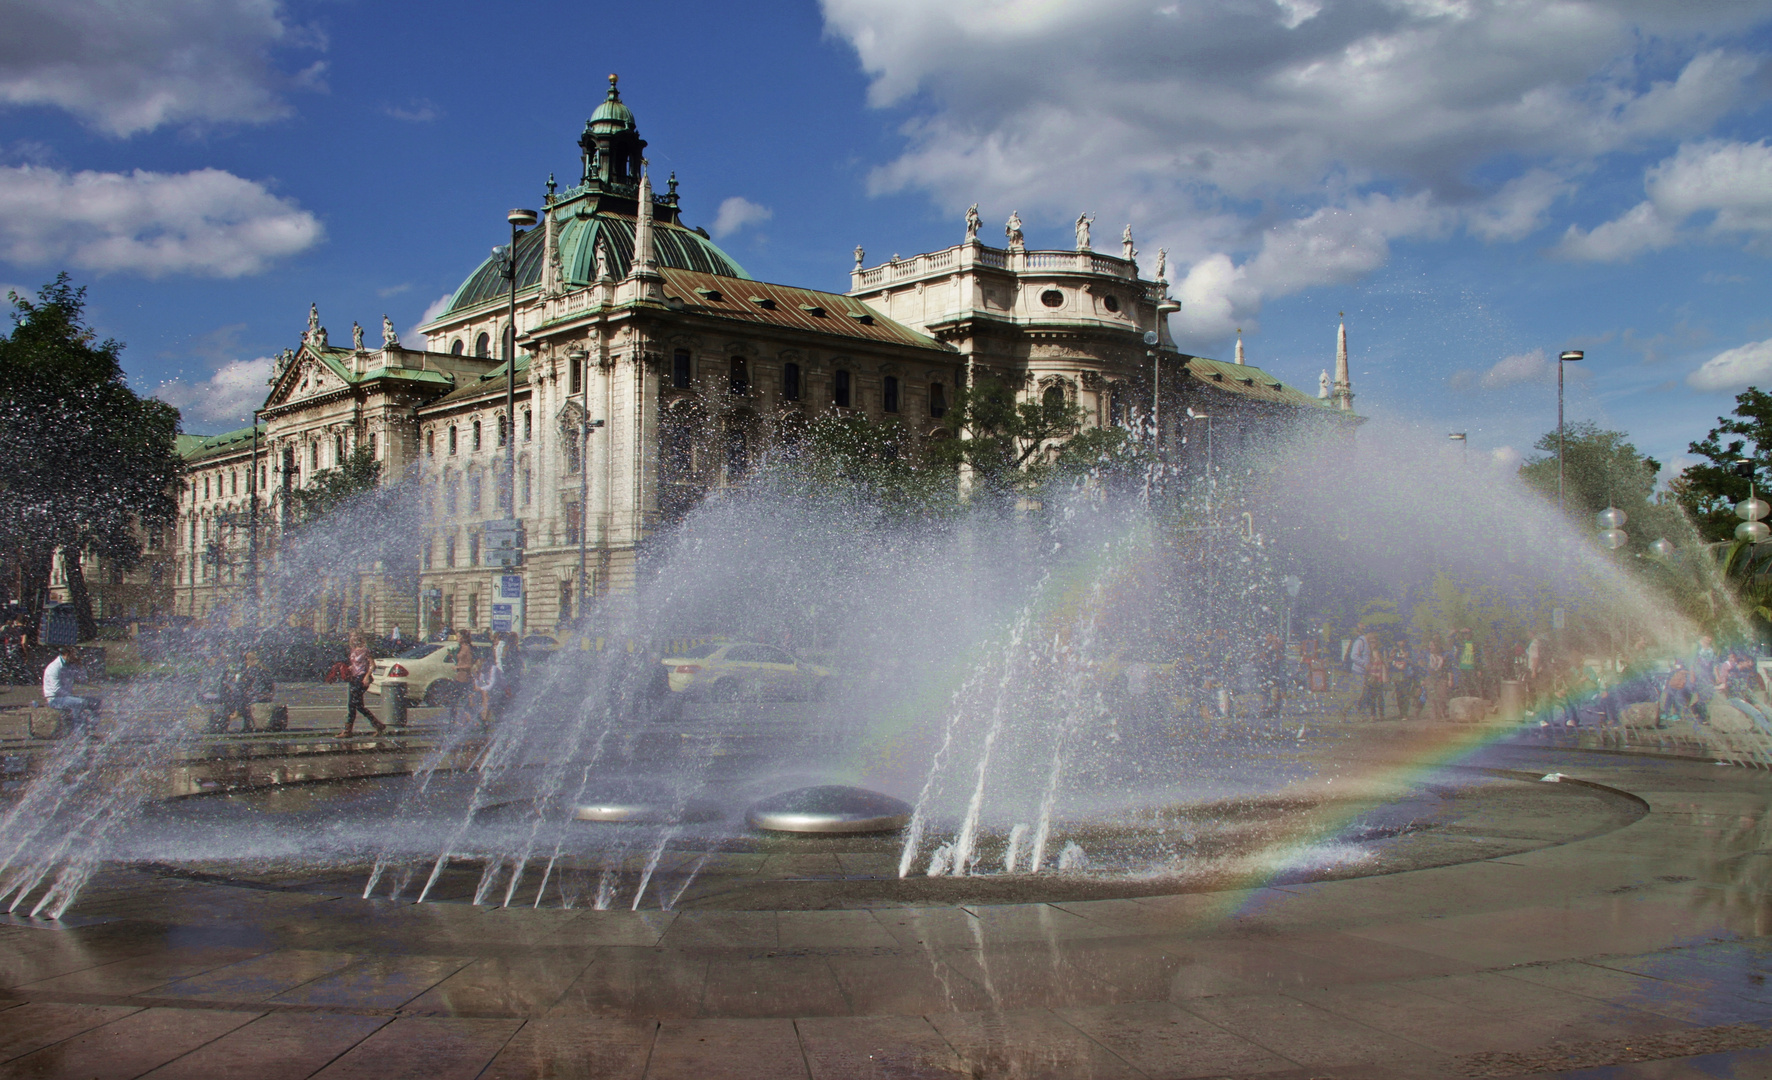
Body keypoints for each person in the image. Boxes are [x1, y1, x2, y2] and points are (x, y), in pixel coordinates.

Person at [336, 631, 385, 738]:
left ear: (358, 638)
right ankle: (377, 725)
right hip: (353, 679)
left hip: (361, 679)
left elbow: (372, 665)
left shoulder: (365, 651)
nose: (352, 639)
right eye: (351, 637)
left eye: (353, 637)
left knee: (353, 704)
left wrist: (367, 676)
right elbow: (355, 665)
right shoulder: (353, 651)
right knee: (356, 705)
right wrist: (345, 669)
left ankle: (348, 731)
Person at [42, 646, 97, 736]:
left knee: (95, 702)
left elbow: (83, 679)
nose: (76, 657)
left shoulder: (70, 665)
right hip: (55, 699)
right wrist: (72, 696)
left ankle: (90, 728)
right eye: (74, 655)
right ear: (67, 655)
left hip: (67, 696)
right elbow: (57, 689)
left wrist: (80, 666)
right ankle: (78, 732)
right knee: (79, 703)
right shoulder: (54, 667)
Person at [449, 629, 477, 722]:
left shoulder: (467, 648)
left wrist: (458, 667)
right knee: (455, 702)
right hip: (459, 678)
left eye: (459, 636)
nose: (457, 638)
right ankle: (452, 722)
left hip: (464, 679)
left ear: (464, 638)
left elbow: (469, 664)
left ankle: (479, 720)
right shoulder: (461, 647)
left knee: (462, 703)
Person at [473, 655, 508, 729]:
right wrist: (476, 676)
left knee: (486, 696)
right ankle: (481, 718)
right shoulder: (481, 672)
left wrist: (480, 688)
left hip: (502, 690)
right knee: (476, 697)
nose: (481, 672)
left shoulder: (493, 669)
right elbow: (478, 686)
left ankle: (486, 719)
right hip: (491, 692)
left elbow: (492, 685)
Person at [1425, 637, 1449, 720]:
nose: (1430, 647)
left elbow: (1448, 668)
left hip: (1441, 677)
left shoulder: (1444, 655)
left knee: (1442, 696)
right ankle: (1433, 716)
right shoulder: (1427, 655)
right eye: (1429, 645)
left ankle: (1441, 713)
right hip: (1430, 678)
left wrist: (1450, 679)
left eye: (1432, 645)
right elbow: (1423, 667)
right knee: (1431, 697)